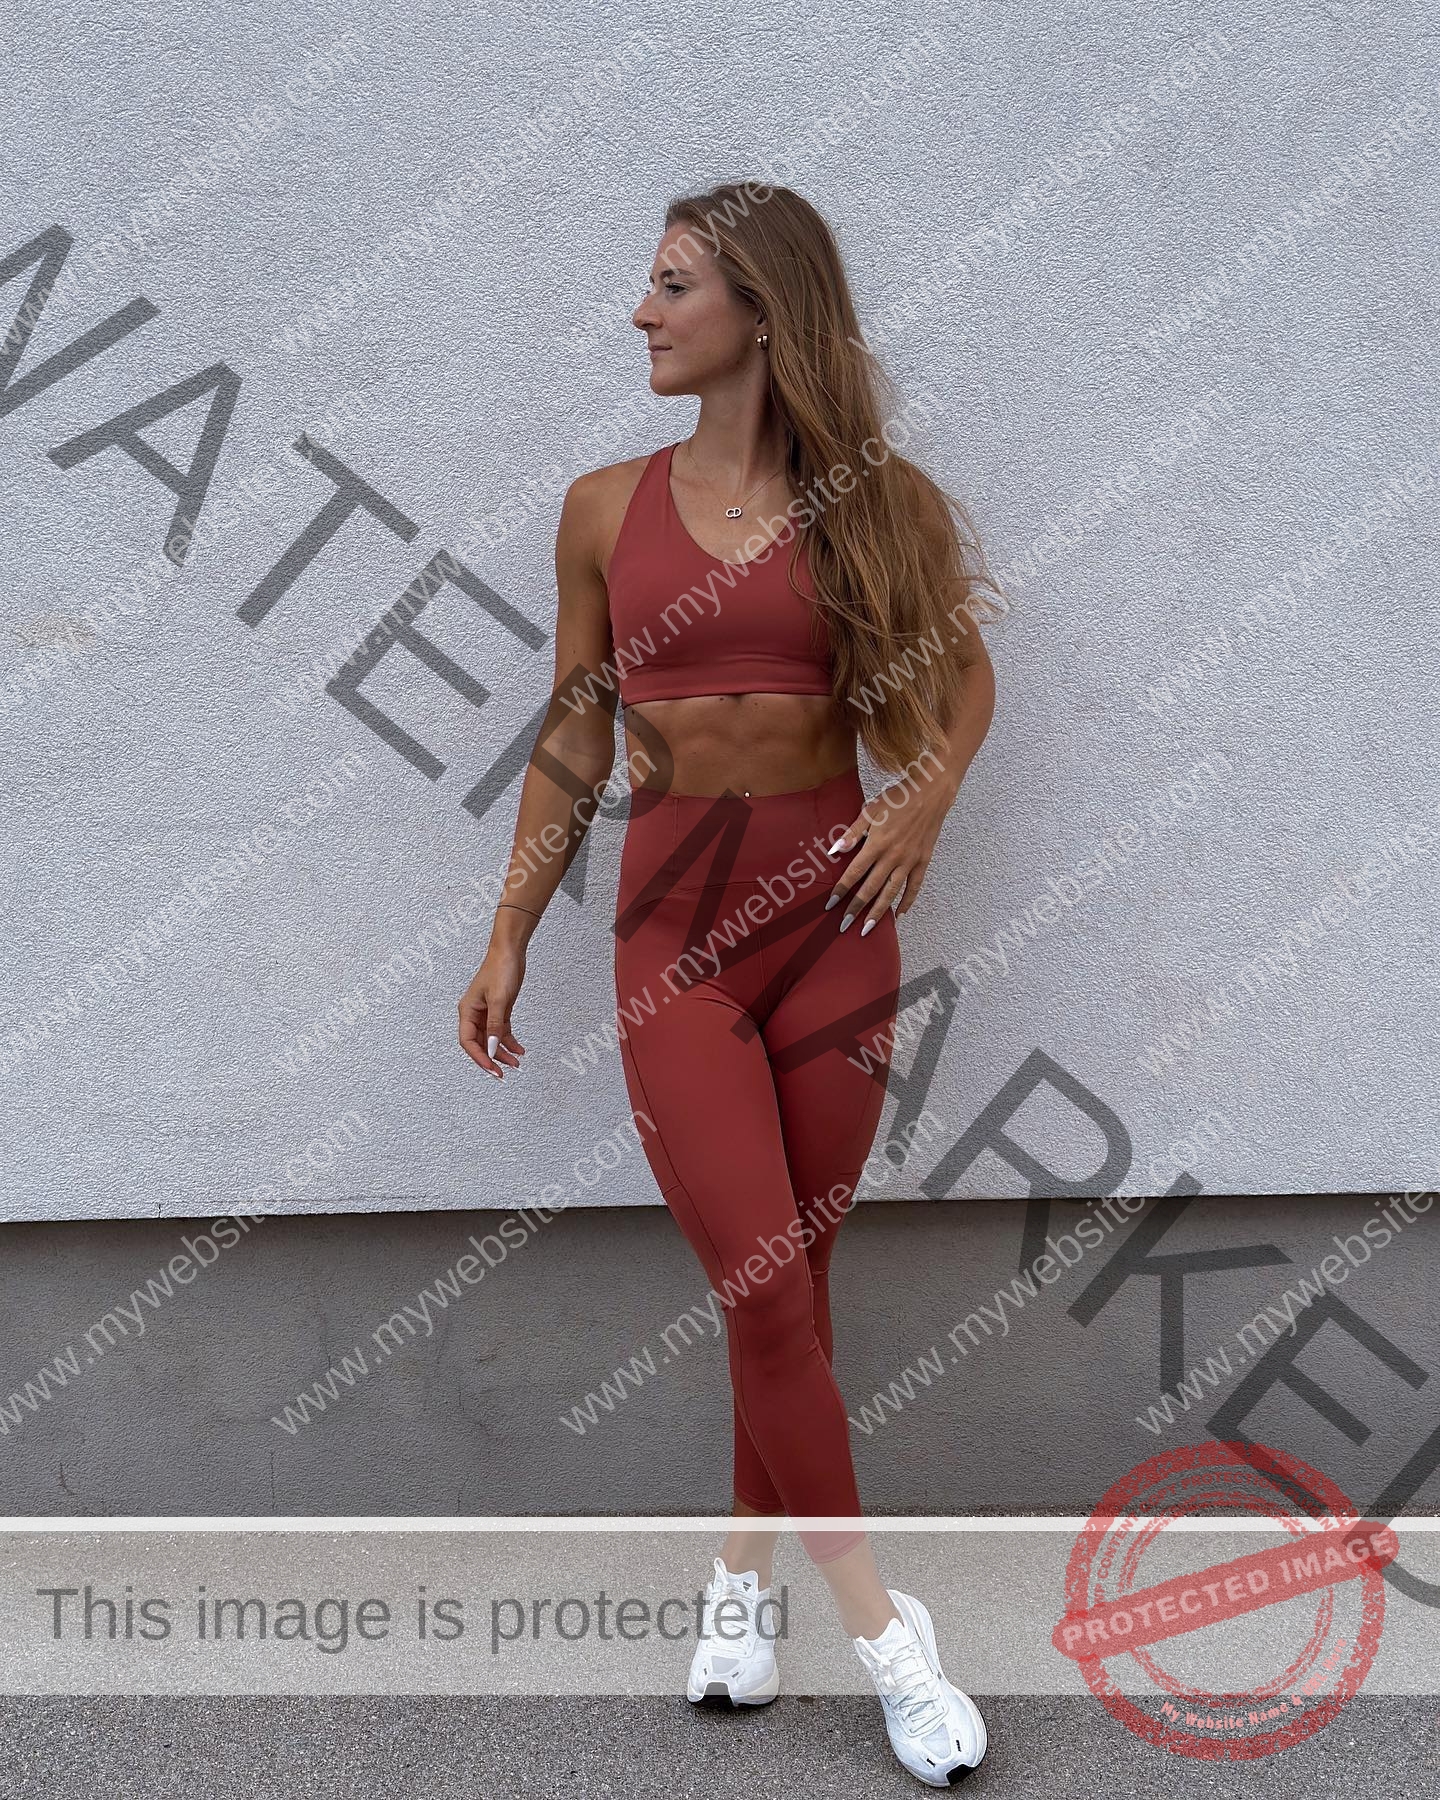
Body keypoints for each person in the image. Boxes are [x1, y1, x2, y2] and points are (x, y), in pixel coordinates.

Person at [458, 181, 1001, 1787]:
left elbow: (966, 679)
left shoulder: (873, 505)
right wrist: (511, 927)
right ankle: (893, 1646)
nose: (643, 312)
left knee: (794, 1288)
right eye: (651, 284)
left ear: (763, 312)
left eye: (675, 285)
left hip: (836, 929)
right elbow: (575, 729)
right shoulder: (599, 510)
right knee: (764, 1286)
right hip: (676, 940)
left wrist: (927, 796)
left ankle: (741, 1595)